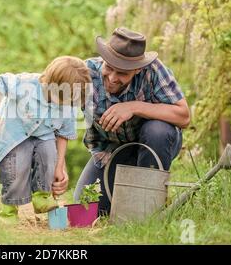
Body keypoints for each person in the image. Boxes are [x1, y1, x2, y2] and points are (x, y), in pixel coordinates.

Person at [74, 27, 191, 215]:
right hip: (109, 151)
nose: (112, 78)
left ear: (137, 69)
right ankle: (126, 199)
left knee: (157, 130)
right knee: (85, 210)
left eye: (122, 73)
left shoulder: (153, 71)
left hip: (153, 144)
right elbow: (53, 103)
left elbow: (184, 116)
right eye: (109, 68)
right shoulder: (85, 74)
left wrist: (134, 106)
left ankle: (148, 205)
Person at [0, 56, 91, 222]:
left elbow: (63, 134)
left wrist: (59, 167)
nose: (64, 104)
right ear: (49, 84)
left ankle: (42, 196)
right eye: (62, 99)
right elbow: (0, 82)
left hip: (43, 134)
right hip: (15, 135)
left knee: (49, 154)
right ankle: (9, 209)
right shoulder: (26, 85)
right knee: (16, 166)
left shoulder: (67, 102)